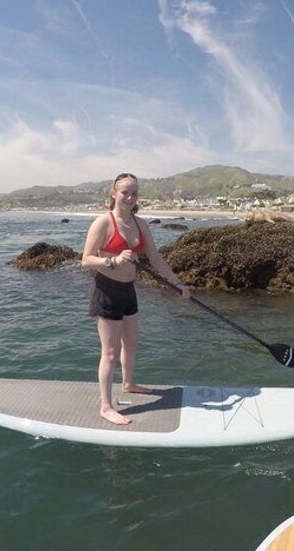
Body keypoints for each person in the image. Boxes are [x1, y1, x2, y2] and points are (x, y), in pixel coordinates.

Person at [82, 173, 190, 425]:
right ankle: (106, 406)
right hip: (107, 290)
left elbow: (156, 258)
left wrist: (177, 283)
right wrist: (113, 260)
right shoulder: (103, 223)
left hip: (129, 290)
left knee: (131, 344)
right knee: (110, 352)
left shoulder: (141, 224)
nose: (130, 198)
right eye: (125, 193)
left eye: (134, 193)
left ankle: (128, 383)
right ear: (113, 193)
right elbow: (86, 260)